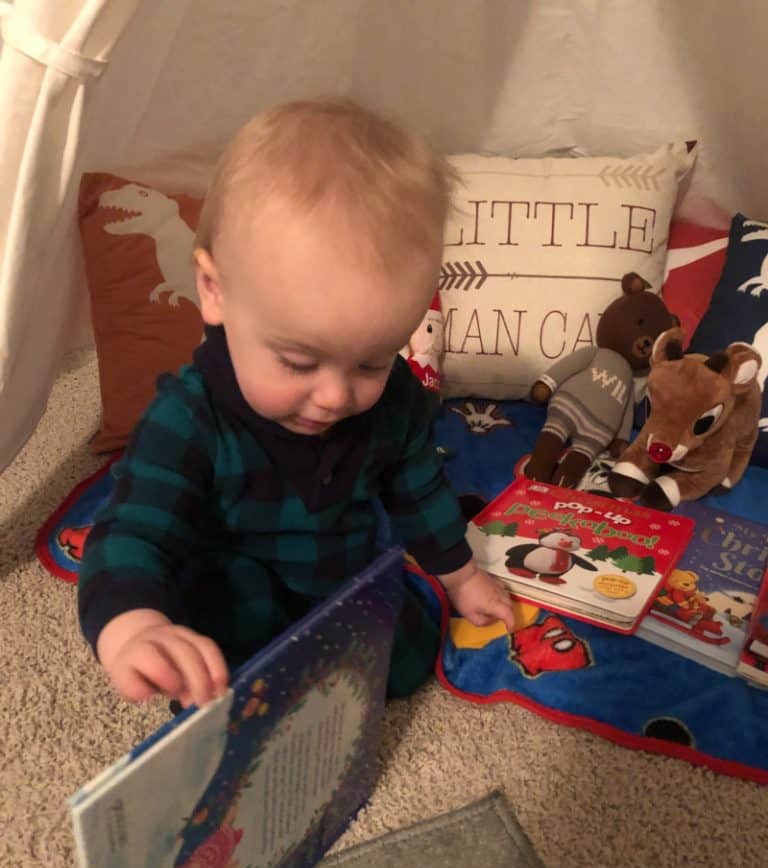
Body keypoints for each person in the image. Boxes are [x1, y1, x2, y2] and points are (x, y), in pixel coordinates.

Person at [78, 97, 519, 709]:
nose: (338, 396)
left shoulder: (391, 403)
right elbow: (131, 530)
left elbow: (419, 491)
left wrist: (462, 575)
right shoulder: (187, 418)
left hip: (338, 576)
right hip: (228, 581)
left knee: (406, 654)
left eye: (373, 359)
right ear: (214, 292)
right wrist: (134, 627)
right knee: (220, 660)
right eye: (298, 361)